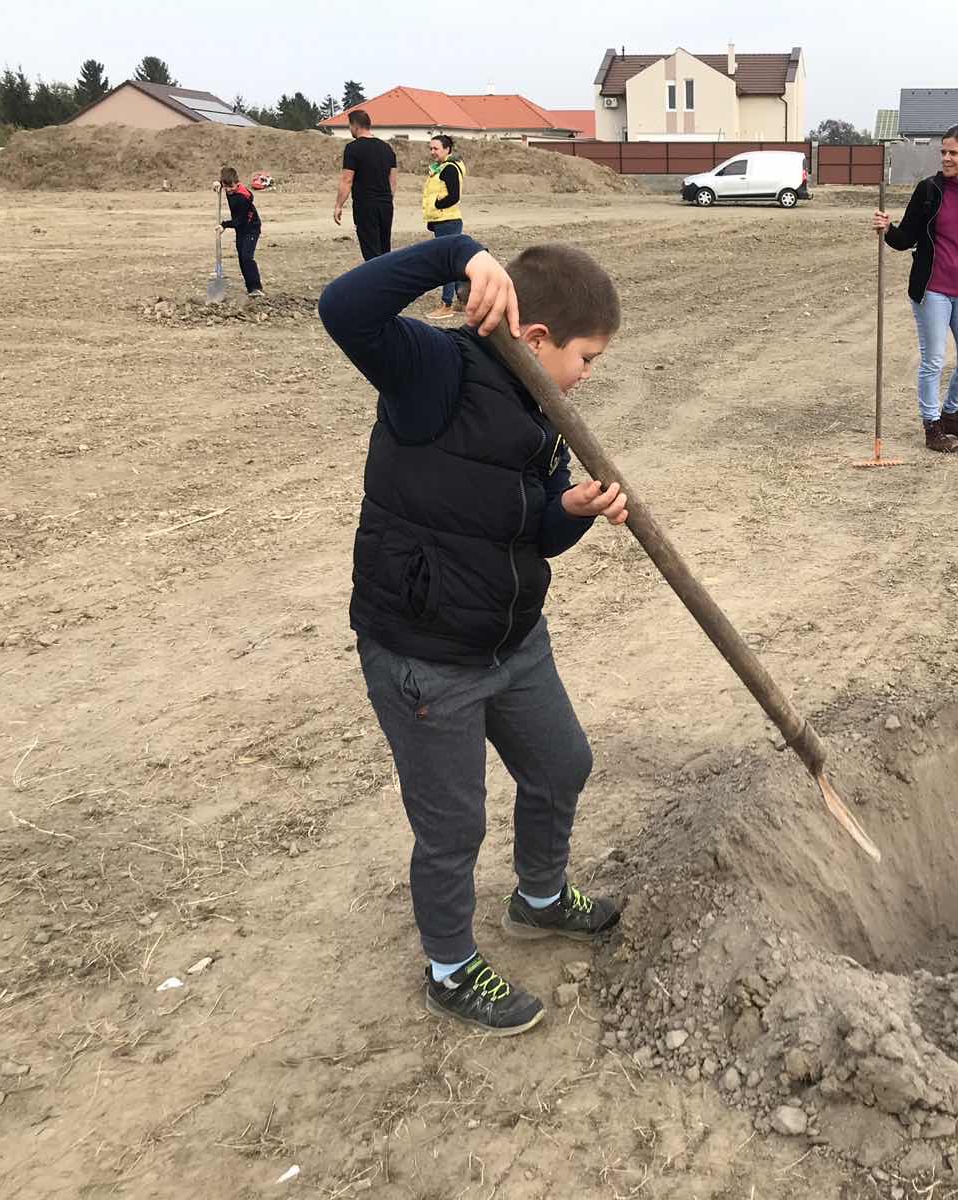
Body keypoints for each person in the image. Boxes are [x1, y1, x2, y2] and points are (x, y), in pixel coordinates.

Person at [318, 232, 628, 1036]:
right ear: (534, 339)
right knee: (453, 825)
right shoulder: (437, 375)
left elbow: (536, 534)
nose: (591, 375)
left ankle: (539, 898)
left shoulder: (545, 409)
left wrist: (573, 512)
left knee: (563, 764)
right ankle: (450, 968)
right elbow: (341, 308)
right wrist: (458, 253)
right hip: (426, 658)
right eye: (587, 357)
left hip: (512, 640)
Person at [872, 124, 958, 453]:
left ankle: (951, 413)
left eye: (954, 153)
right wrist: (887, 228)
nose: (946, 158)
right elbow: (906, 239)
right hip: (932, 289)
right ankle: (931, 425)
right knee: (933, 360)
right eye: (943, 152)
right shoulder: (929, 190)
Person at [334, 109, 399, 260]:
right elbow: (393, 181)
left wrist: (338, 205)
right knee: (384, 249)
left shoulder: (353, 149)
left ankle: (376, 282)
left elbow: (347, 180)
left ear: (355, 126)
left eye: (349, 126)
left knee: (371, 251)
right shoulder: (387, 148)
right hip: (385, 205)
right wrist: (387, 199)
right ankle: (387, 281)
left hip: (366, 205)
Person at [422, 134, 468, 319]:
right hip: (444, 221)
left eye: (436, 148)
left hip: (448, 221)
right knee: (453, 263)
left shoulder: (448, 169)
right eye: (431, 148)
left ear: (447, 149)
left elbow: (454, 196)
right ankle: (463, 301)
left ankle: (446, 304)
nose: (433, 152)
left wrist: (437, 205)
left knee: (446, 264)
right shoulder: (440, 168)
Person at [217, 166, 264, 297]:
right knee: (241, 259)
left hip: (251, 227)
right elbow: (223, 181)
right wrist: (217, 184)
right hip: (241, 230)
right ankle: (250, 289)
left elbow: (239, 221)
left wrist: (224, 225)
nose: (228, 190)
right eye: (225, 187)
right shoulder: (228, 186)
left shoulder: (242, 198)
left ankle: (256, 287)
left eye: (231, 187)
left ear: (237, 183)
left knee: (247, 257)